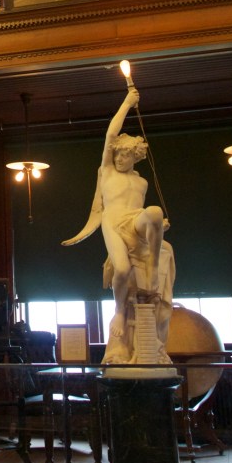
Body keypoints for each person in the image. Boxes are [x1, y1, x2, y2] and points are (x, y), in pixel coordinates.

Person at [63, 85, 171, 364]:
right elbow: (111, 134)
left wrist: (156, 226)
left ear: (136, 156)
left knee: (155, 212)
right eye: (118, 154)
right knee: (122, 268)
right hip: (112, 221)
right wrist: (127, 103)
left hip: (134, 219)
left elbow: (144, 216)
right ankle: (120, 311)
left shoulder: (141, 181)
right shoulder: (107, 171)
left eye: (126, 155)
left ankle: (153, 267)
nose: (120, 159)